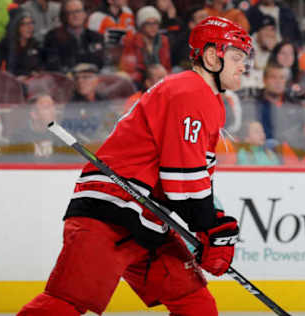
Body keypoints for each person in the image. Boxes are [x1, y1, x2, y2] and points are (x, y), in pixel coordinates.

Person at [17, 16, 252, 316]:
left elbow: (192, 177)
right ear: (210, 56)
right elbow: (182, 180)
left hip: (147, 217)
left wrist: (210, 224)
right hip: (112, 211)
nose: (243, 65)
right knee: (65, 303)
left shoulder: (209, 101)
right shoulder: (189, 91)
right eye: (236, 57)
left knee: (195, 304)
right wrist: (209, 223)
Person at [43, 0, 105, 73]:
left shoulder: (96, 37)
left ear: (85, 14)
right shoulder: (53, 37)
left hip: (92, 78)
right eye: (70, 12)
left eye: (78, 11)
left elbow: (101, 62)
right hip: (66, 79)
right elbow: (53, 65)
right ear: (64, 16)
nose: (75, 15)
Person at [119, 6, 171, 87]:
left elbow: (167, 66)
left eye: (155, 23)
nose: (153, 27)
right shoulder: (132, 40)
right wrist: (149, 77)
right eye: (148, 23)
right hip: (141, 80)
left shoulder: (164, 40)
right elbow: (129, 68)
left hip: (161, 77)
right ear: (141, 26)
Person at [61, 63, 111, 143]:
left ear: (96, 80)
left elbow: (111, 123)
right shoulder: (72, 105)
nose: (80, 81)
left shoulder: (103, 100)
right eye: (76, 78)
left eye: (86, 77)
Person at [0, 10, 43, 78]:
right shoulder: (5, 45)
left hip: (31, 83)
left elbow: (40, 67)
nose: (29, 27)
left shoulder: (36, 44)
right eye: (25, 24)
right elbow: (0, 69)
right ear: (16, 26)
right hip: (11, 83)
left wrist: (36, 73)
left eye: (31, 23)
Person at [171, 5, 208, 70]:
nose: (207, 20)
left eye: (207, 17)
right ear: (191, 24)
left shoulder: (216, 38)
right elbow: (184, 62)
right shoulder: (182, 41)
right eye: (202, 17)